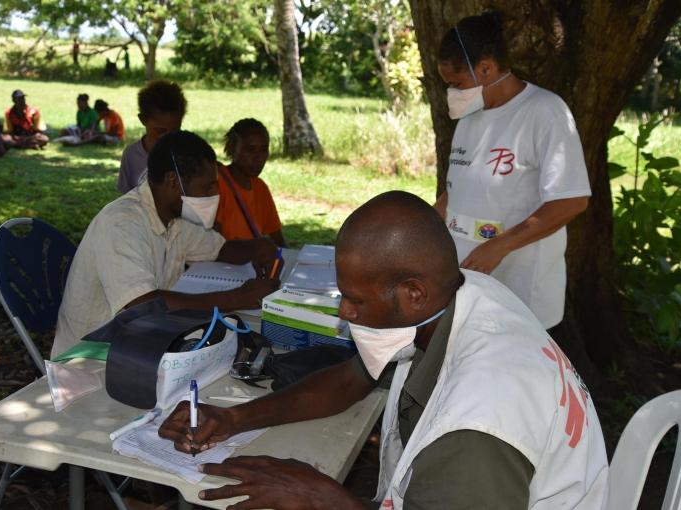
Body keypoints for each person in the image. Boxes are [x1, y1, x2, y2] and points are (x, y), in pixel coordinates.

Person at [159, 191, 609, 510]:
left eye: (355, 301)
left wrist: (329, 500)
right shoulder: (467, 295)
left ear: (413, 293)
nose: (345, 314)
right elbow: (353, 378)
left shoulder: (476, 427)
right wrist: (233, 418)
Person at [52, 130, 280, 358]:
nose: (214, 194)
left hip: (135, 339)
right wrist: (236, 298)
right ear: (173, 181)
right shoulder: (121, 223)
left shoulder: (175, 214)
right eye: (208, 187)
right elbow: (141, 305)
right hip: (90, 357)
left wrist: (257, 246)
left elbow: (219, 249)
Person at [434, 12, 591, 331]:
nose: (452, 93)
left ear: (486, 69)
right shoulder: (470, 119)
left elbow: (570, 201)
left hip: (519, 290)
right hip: (469, 288)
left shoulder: (545, 113)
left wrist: (499, 245)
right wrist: (421, 230)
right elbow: (460, 189)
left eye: (457, 83)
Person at [214, 118, 285, 247]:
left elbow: (278, 240)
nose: (258, 158)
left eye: (264, 150)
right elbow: (215, 244)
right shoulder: (217, 183)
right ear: (231, 149)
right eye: (251, 149)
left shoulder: (260, 188)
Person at [117, 80, 186, 193]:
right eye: (160, 130)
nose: (167, 136)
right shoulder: (131, 155)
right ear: (142, 120)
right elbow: (126, 199)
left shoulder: (190, 153)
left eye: (174, 130)